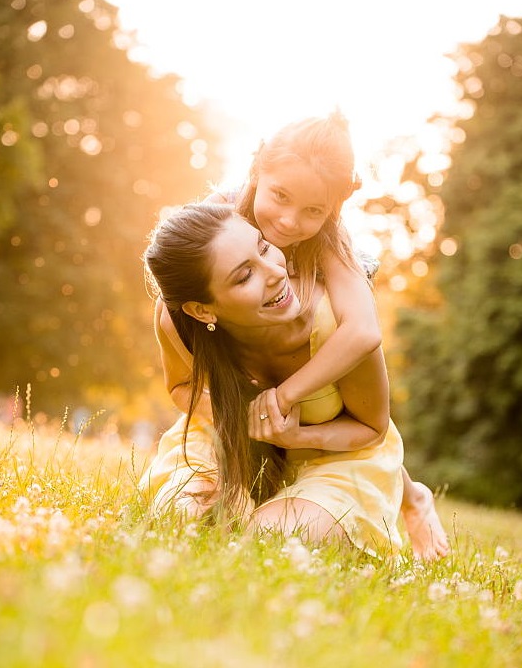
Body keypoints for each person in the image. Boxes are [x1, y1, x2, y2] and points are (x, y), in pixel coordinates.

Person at [149, 112, 449, 559]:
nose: (288, 223)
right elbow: (187, 258)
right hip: (247, 389)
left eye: (313, 209)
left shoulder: (329, 245)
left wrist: (284, 397)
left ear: (333, 208)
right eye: (280, 198)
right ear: (256, 171)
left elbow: (363, 334)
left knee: (337, 388)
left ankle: (411, 496)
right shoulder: (224, 220)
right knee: (190, 525)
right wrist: (244, 414)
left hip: (329, 418)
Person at [141, 203, 404, 554]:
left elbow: (373, 430)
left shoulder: (335, 323)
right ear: (202, 309)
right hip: (228, 443)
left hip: (336, 457)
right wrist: (240, 420)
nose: (275, 272)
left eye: (263, 247)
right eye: (243, 275)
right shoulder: (177, 322)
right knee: (186, 521)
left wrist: (295, 437)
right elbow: (180, 387)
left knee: (270, 540)